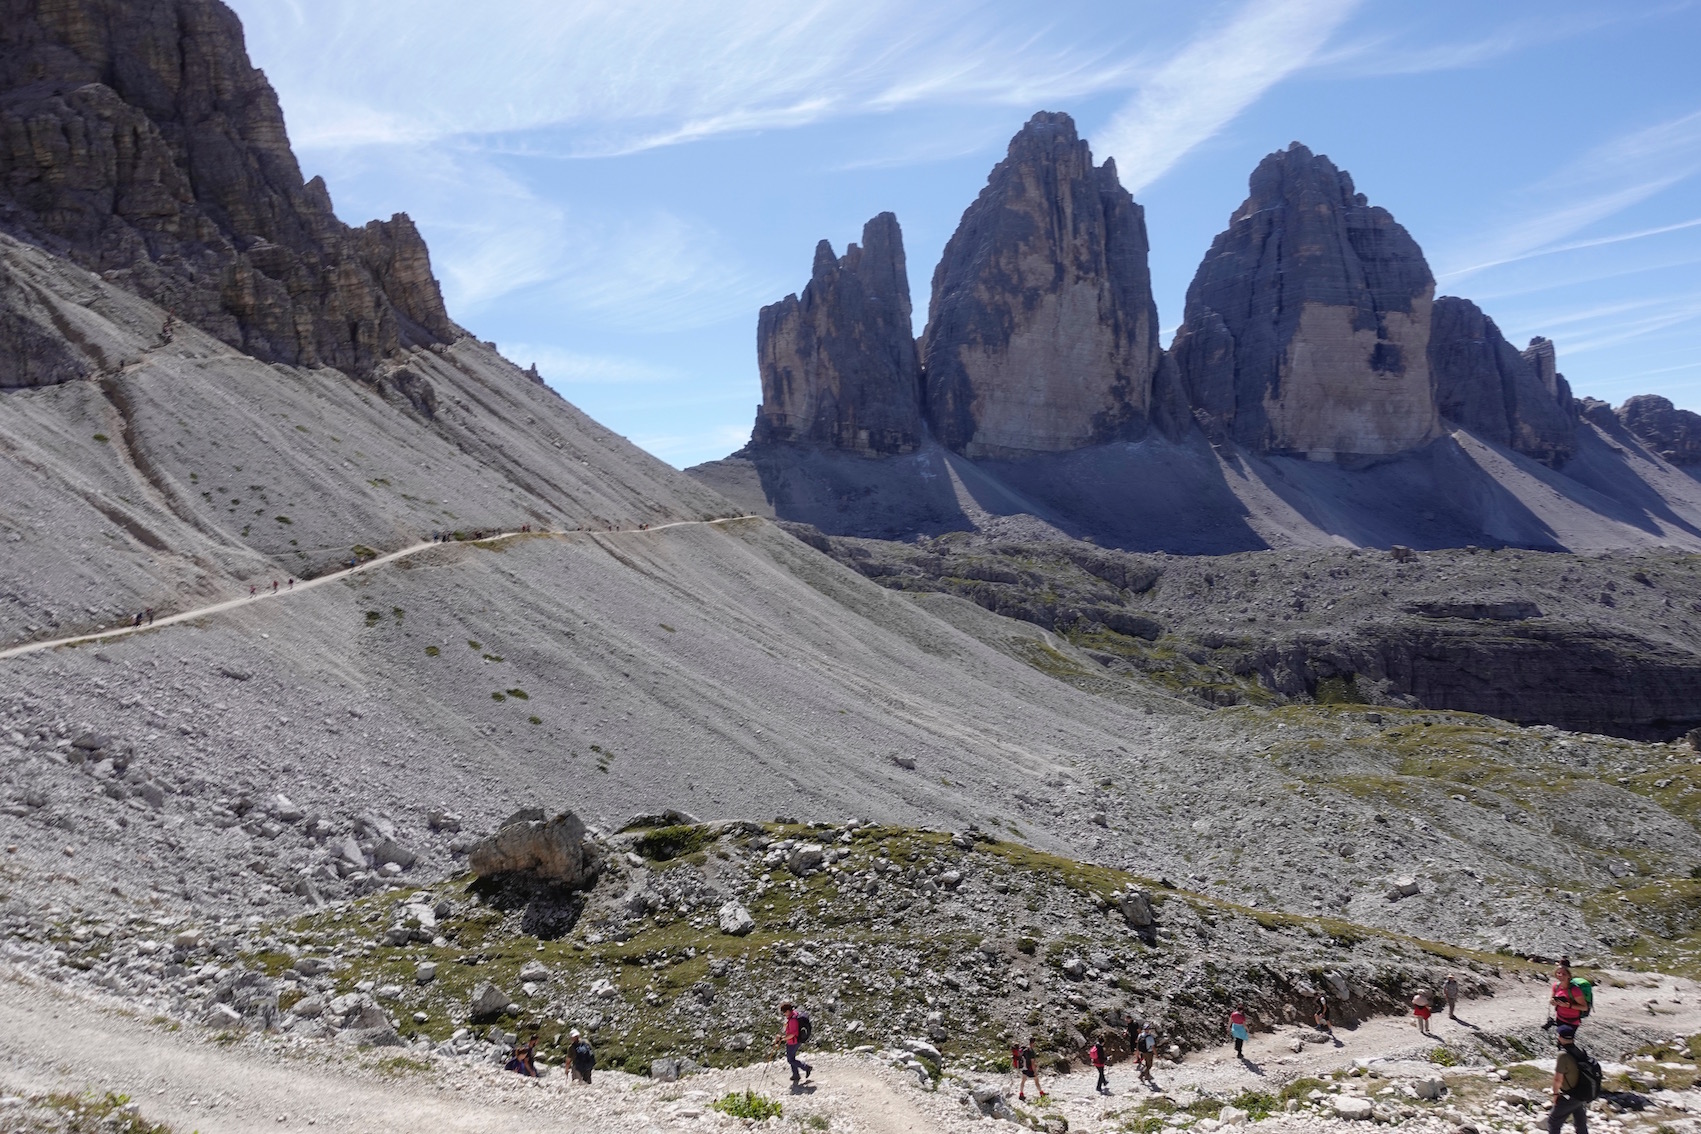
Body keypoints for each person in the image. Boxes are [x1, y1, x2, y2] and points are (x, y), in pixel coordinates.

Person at [1549, 1024, 1596, 1133]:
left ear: (1560, 1037)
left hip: (1571, 1095)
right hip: (1582, 1093)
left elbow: (1558, 1079)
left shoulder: (1563, 1055)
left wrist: (1555, 1094)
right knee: (1580, 1123)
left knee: (1553, 1121)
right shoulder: (1579, 1051)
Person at [776, 1002, 811, 1084]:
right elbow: (787, 1028)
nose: (784, 1014)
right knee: (792, 1058)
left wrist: (782, 1039)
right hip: (793, 1041)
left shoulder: (793, 1020)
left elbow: (793, 1034)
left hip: (793, 1042)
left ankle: (806, 1067)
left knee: (790, 1060)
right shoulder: (793, 1015)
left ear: (788, 1011)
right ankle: (795, 1075)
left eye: (784, 1012)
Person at [1548, 962, 1587, 1033]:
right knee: (1561, 1037)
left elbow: (1584, 1007)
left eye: (1564, 974)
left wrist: (1568, 1006)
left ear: (1569, 976)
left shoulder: (1575, 990)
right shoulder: (1556, 986)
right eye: (1558, 973)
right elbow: (1552, 999)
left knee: (1564, 1039)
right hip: (1559, 1018)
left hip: (1572, 1021)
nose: (1561, 975)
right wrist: (1552, 1001)